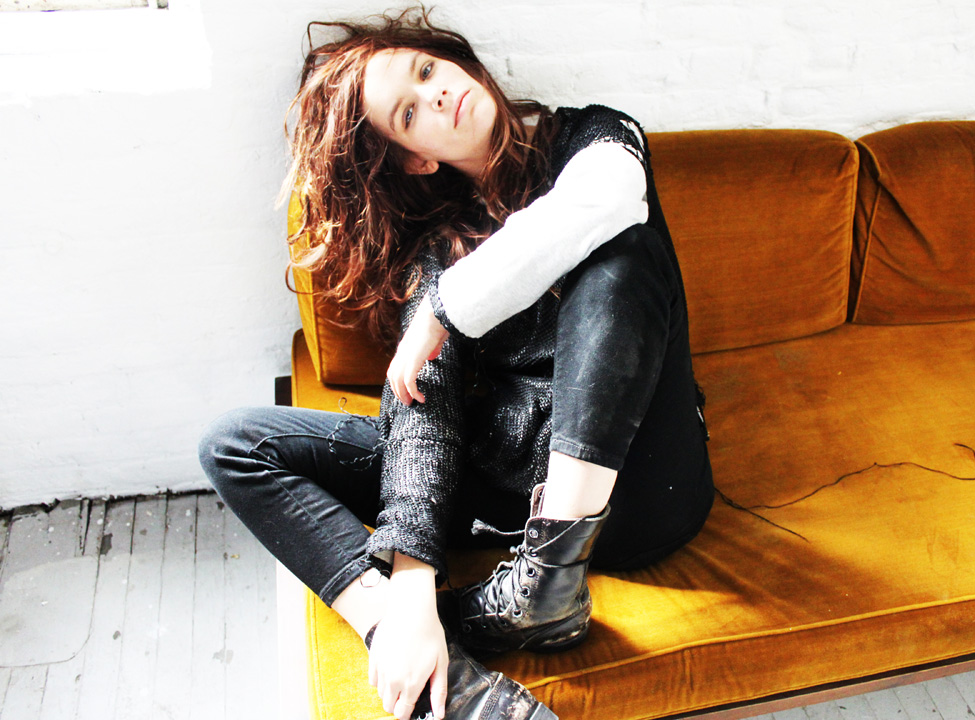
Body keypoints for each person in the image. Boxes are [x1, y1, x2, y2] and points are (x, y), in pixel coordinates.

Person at [198, 8, 713, 720]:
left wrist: (445, 311)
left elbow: (607, 198)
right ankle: (412, 648)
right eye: (410, 113)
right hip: (512, 483)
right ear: (416, 158)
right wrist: (411, 593)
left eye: (426, 70)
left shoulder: (595, 138)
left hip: (642, 485)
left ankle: (545, 578)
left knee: (624, 245)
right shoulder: (439, 249)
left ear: (453, 61)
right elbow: (424, 411)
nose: (436, 94)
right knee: (234, 443)